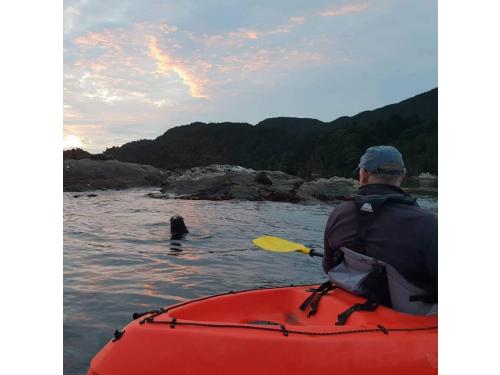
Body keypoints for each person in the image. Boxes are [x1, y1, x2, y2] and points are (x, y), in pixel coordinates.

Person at [323, 145, 437, 312]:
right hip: (410, 318)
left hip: (352, 309)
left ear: (364, 174)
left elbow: (329, 267)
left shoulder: (339, 214)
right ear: (402, 174)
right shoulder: (428, 223)